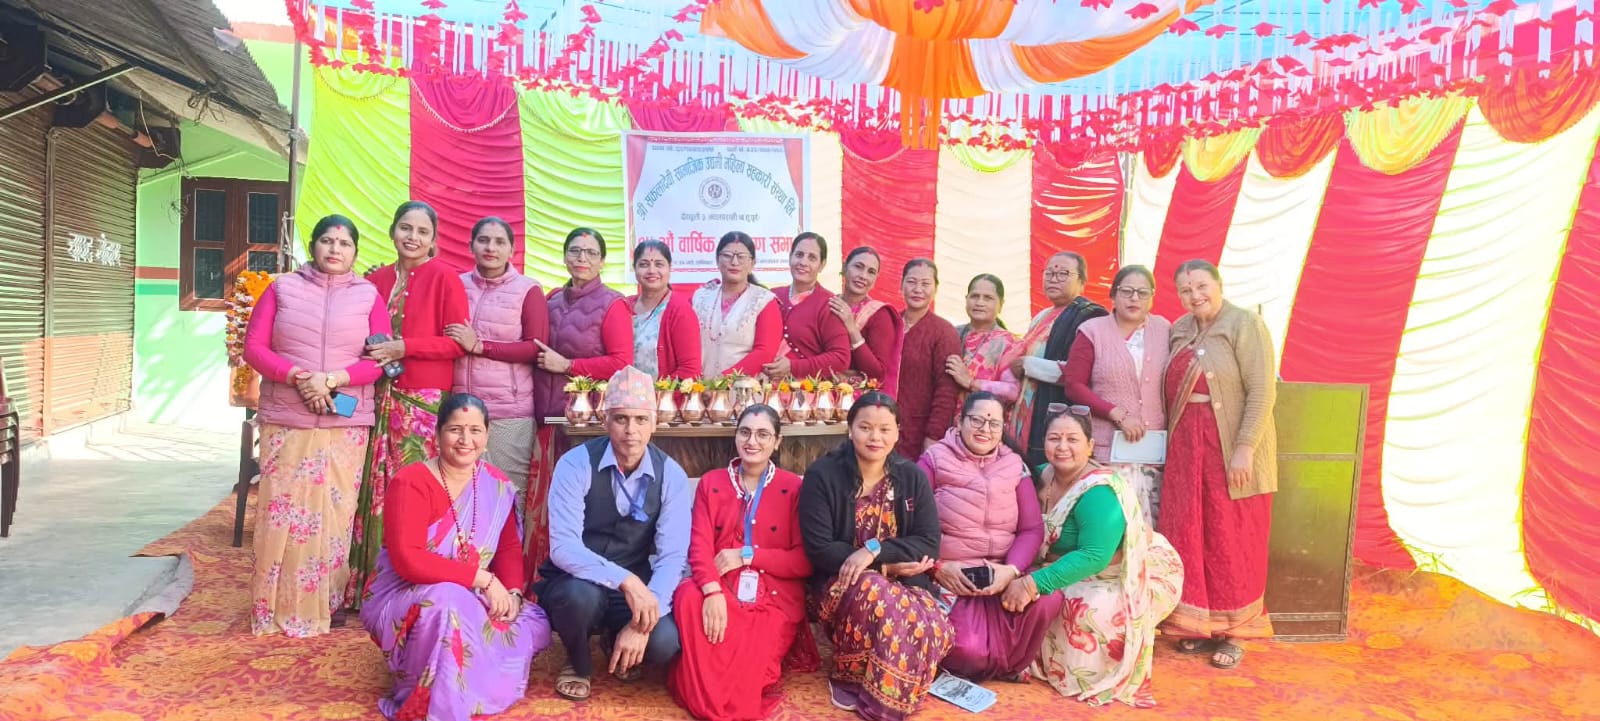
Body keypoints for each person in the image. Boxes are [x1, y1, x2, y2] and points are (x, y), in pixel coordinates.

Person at [360, 393, 552, 721]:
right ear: (437, 434)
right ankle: (435, 702)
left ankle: (476, 683)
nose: (466, 440)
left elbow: (507, 548)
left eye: (475, 430)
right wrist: (484, 580)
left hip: (470, 590)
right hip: (409, 592)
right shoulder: (411, 482)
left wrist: (513, 593)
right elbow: (409, 561)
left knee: (533, 622)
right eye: (455, 430)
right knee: (447, 603)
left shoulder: (496, 484)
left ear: (487, 436)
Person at [242, 214, 388, 637]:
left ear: (355, 252)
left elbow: (378, 361)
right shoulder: (281, 288)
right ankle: (272, 606)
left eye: (344, 244)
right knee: (281, 513)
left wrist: (332, 380)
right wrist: (300, 378)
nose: (335, 249)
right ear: (312, 246)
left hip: (344, 420)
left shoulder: (368, 296)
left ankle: (326, 601)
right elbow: (254, 348)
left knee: (333, 516)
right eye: (327, 241)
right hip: (287, 417)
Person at [1006, 407, 1182, 707]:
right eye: (1054, 438)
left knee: (1084, 611)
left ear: (1090, 446)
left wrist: (1031, 583)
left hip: (1123, 570)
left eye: (1072, 439)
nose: (1062, 447)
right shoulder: (1039, 475)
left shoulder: (1100, 490)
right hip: (1068, 563)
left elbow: (1095, 555)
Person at [536, 366, 689, 701]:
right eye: (621, 419)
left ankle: (615, 636)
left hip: (633, 586)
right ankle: (578, 662)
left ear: (654, 423)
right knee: (578, 600)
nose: (631, 431)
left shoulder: (671, 475)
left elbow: (672, 556)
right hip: (577, 579)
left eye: (640, 419)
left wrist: (642, 622)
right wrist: (627, 581)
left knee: (663, 642)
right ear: (605, 420)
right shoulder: (575, 464)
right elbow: (563, 547)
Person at [799, 391, 952, 721]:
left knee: (934, 624)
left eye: (885, 429)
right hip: (840, 584)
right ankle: (862, 686)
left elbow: (929, 543)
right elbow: (820, 548)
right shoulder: (822, 475)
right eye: (865, 427)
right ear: (850, 429)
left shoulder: (911, 477)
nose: (875, 437)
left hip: (907, 580)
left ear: (897, 432)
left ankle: (892, 685)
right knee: (877, 593)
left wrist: (874, 552)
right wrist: (885, 568)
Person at [351, 200, 471, 607]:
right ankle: (367, 586)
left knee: (413, 491)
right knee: (372, 489)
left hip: (421, 403)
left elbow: (457, 343)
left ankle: (414, 585)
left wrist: (405, 348)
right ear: (392, 232)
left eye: (422, 231)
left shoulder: (445, 278)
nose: (412, 237)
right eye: (406, 228)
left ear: (433, 240)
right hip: (375, 396)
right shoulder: (375, 280)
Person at [1160, 260, 1277, 669]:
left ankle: (1237, 632)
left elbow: (1262, 389)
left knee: (1232, 537)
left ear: (1219, 285)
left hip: (1230, 448)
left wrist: (1244, 448)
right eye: (1186, 290)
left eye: (1202, 286)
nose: (1195, 295)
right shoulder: (1180, 329)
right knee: (1191, 534)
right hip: (1186, 449)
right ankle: (1197, 626)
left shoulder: (1244, 324)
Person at [668, 405, 818, 721]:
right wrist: (711, 592)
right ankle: (707, 692)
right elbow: (699, 547)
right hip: (719, 583)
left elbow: (803, 561)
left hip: (771, 596)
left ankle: (716, 697)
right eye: (745, 432)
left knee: (750, 654)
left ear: (777, 441)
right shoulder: (712, 483)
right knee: (688, 598)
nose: (752, 441)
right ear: (735, 436)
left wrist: (747, 555)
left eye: (763, 434)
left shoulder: (793, 487)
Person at [918, 392, 1060, 681]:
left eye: (994, 423)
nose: (985, 429)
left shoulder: (1014, 465)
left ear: (1002, 428)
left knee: (1049, 597)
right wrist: (938, 567)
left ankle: (1005, 665)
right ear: (959, 421)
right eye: (977, 420)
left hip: (1001, 574)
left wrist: (1011, 570)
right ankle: (991, 663)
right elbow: (910, 524)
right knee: (967, 651)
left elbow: (1031, 529)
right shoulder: (933, 460)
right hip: (953, 576)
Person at [528, 227, 634, 582]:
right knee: (544, 504)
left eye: (591, 253)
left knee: (581, 504)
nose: (582, 258)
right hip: (547, 418)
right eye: (575, 251)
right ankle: (538, 582)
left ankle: (587, 583)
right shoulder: (551, 300)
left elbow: (622, 362)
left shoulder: (613, 304)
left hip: (585, 425)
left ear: (603, 261)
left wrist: (569, 365)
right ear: (564, 257)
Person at [447, 216, 548, 519]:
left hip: (509, 412)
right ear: (471, 246)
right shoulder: (456, 285)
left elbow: (535, 347)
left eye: (499, 242)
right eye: (483, 240)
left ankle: (509, 552)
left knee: (508, 495)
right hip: (461, 409)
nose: (491, 247)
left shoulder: (528, 290)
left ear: (512, 250)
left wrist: (481, 346)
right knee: (460, 497)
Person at [1060, 265, 1170, 526]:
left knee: (1152, 529)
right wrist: (1117, 414)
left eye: (1142, 293)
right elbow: (1073, 385)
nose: (1134, 298)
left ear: (1152, 297)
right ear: (1113, 295)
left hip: (1154, 452)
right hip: (1108, 450)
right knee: (1111, 525)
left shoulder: (1165, 329)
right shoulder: (1092, 331)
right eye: (1126, 291)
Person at [1007, 252, 1108, 468]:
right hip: (1027, 408)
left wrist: (1028, 365)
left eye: (1063, 274)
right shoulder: (1042, 316)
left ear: (1082, 281)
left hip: (1061, 412)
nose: (1054, 279)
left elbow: (1082, 372)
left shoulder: (1090, 316)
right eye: (1049, 273)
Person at [895, 259, 961, 458]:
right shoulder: (889, 322)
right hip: (881, 425)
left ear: (935, 289)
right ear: (901, 284)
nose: (918, 289)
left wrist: (933, 435)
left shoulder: (944, 332)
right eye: (911, 282)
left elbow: (947, 389)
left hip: (919, 430)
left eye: (925, 284)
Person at [764, 232, 851, 382]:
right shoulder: (772, 296)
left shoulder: (828, 304)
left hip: (805, 391)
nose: (803, 262)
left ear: (822, 265)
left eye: (812, 258)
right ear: (790, 257)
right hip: (762, 387)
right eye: (799, 255)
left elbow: (841, 358)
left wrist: (793, 367)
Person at [693, 232, 781, 376]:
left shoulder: (764, 300)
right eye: (727, 255)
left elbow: (764, 353)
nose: (734, 262)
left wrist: (723, 382)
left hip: (744, 386)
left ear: (752, 263)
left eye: (741, 256)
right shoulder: (700, 297)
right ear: (717, 260)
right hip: (699, 385)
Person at [829, 247, 904, 395]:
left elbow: (877, 373)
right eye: (858, 267)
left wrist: (852, 328)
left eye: (871, 272)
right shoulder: (828, 305)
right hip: (821, 394)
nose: (863, 276)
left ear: (875, 279)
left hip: (861, 401)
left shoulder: (879, 314)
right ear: (844, 267)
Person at [627, 240, 702, 380]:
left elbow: (690, 369)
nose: (651, 270)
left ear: (669, 268)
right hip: (622, 392)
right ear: (634, 268)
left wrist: (656, 391)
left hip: (664, 393)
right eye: (644, 264)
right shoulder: (624, 306)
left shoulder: (680, 310)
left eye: (659, 264)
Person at [948, 274, 1021, 411]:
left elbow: (1012, 391)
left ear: (1001, 304)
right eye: (975, 296)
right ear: (966, 299)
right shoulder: (950, 334)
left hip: (984, 419)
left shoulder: (1010, 344)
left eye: (988, 298)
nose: (979, 303)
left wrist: (971, 383)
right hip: (945, 417)